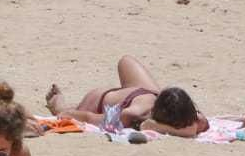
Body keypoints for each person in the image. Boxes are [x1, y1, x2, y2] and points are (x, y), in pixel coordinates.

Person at [45, 56, 207, 138]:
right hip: (98, 101)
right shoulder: (131, 114)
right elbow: (89, 118)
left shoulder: (190, 117)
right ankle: (59, 102)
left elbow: (199, 124)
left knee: (127, 61)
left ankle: (123, 96)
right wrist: (62, 110)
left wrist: (159, 127)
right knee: (67, 111)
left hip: (140, 95)